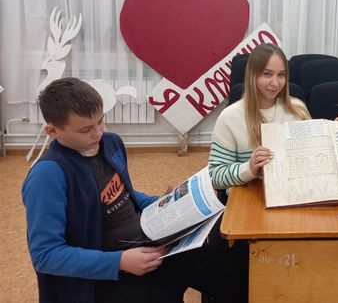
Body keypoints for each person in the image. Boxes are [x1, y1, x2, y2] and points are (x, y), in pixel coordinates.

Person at [22, 78, 247, 303]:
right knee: (163, 293)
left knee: (227, 251)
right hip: (104, 275)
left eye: (100, 121)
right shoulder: (47, 175)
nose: (98, 133)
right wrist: (119, 262)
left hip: (148, 242)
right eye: (85, 130)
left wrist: (163, 203)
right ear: (52, 131)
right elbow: (45, 255)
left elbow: (122, 194)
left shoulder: (110, 143)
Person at [209, 43, 338, 191]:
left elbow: (314, 156)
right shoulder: (229, 117)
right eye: (267, 74)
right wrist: (249, 168)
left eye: (281, 75)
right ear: (252, 75)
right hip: (250, 194)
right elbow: (215, 177)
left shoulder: (297, 108)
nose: (275, 83)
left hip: (293, 191)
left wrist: (337, 131)